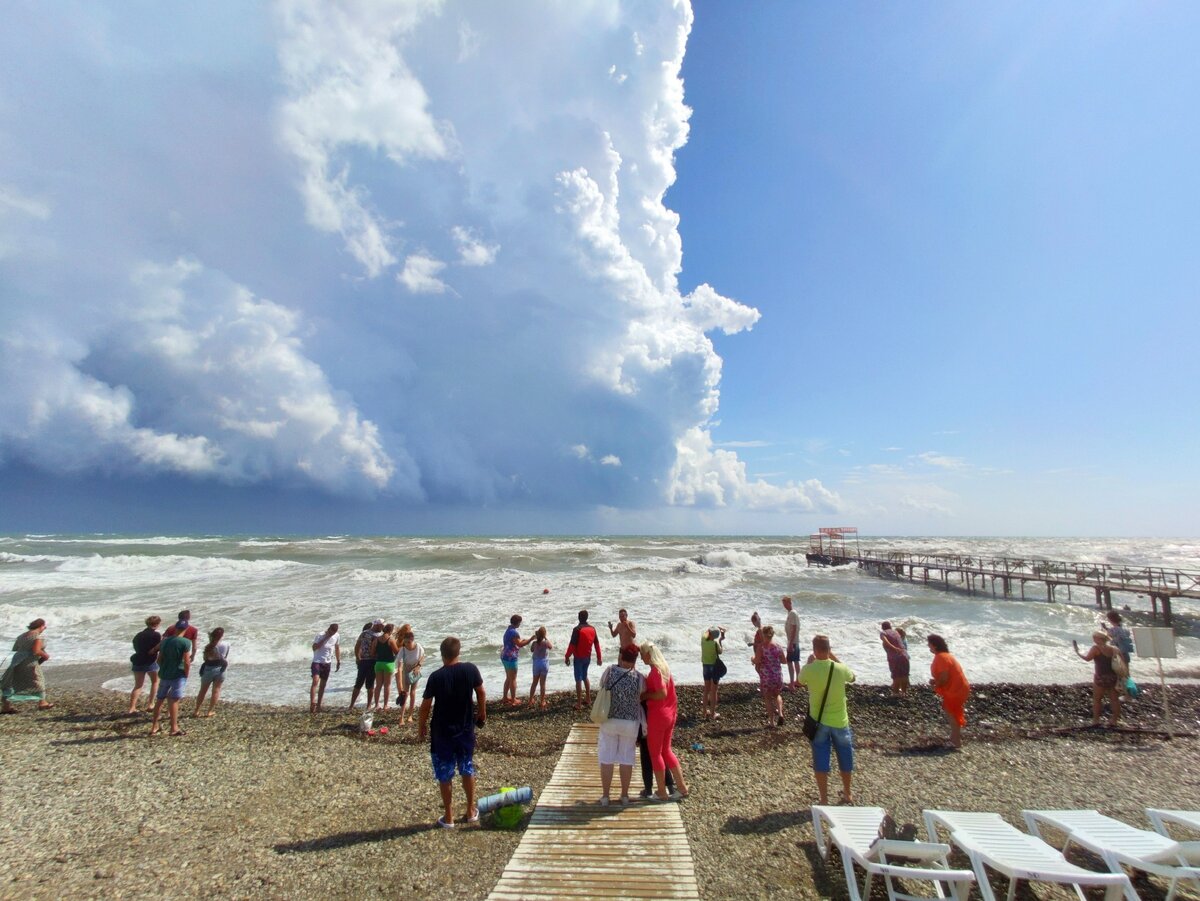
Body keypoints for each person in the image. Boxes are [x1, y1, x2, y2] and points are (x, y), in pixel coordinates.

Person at [418, 636, 486, 828]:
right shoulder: (470, 669)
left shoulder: (436, 676)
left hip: (442, 731)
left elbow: (425, 705)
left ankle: (449, 817)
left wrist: (421, 725)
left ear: (442, 655)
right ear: (458, 652)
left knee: (445, 773)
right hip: (464, 727)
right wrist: (482, 712)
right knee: (467, 767)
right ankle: (471, 810)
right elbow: (481, 692)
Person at [799, 635, 857, 805]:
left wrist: (810, 663)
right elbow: (853, 677)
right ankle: (847, 793)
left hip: (819, 722)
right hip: (840, 721)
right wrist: (834, 658)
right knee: (845, 758)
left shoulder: (809, 669)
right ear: (829, 649)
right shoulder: (840, 669)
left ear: (814, 650)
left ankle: (824, 799)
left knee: (821, 760)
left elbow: (799, 682)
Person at [596, 643, 645, 806]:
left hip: (609, 720)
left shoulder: (610, 671)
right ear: (634, 660)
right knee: (626, 759)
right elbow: (642, 695)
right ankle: (624, 795)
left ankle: (605, 796)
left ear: (621, 656)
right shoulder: (638, 677)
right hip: (630, 723)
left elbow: (602, 686)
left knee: (607, 758)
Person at [639, 641, 688, 801]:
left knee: (655, 754)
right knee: (666, 751)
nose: (640, 657)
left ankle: (661, 791)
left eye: (641, 653)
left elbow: (661, 693)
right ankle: (681, 787)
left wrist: (645, 696)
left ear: (648, 654)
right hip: (670, 713)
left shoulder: (656, 672)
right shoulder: (665, 669)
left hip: (658, 716)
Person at [927, 634, 970, 748]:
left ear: (934, 645)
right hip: (960, 687)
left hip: (955, 689)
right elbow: (946, 675)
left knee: (951, 713)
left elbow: (944, 677)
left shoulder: (941, 657)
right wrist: (936, 682)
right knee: (953, 712)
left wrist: (936, 684)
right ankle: (954, 739)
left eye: (929, 644)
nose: (928, 646)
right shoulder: (946, 656)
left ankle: (955, 741)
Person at [1, 619, 53, 713]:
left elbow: (16, 649)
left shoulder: (21, 636)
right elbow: (36, 651)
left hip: (17, 660)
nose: (45, 628)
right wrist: (45, 655)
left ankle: (6, 706)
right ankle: (43, 703)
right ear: (40, 626)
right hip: (29, 661)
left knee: (12, 681)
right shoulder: (38, 636)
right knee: (37, 680)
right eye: (44, 626)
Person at [149, 624, 191, 736]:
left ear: (175, 628)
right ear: (186, 629)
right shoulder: (186, 642)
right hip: (178, 674)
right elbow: (187, 661)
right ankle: (173, 728)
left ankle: (154, 727)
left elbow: (159, 660)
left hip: (164, 674)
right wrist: (187, 674)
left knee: (159, 700)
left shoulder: (165, 641)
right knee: (174, 700)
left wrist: (164, 668)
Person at [1074, 632, 1122, 727]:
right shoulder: (1114, 649)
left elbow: (1088, 658)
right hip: (1113, 676)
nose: (1093, 640)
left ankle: (1096, 720)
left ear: (1099, 639)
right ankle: (1114, 720)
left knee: (1097, 699)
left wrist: (1077, 652)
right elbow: (1122, 661)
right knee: (1114, 700)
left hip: (1100, 677)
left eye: (1094, 638)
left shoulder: (1096, 648)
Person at [564, 610, 602, 711]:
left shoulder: (577, 629)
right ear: (587, 617)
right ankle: (588, 698)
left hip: (578, 658)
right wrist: (599, 658)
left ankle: (579, 703)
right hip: (587, 657)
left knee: (578, 679)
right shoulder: (592, 629)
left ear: (578, 617)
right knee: (585, 676)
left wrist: (567, 656)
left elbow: (572, 645)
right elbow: (597, 644)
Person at [127, 615, 162, 714]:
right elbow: (157, 648)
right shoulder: (156, 635)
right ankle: (151, 703)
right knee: (155, 681)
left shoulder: (139, 635)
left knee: (138, 685)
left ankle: (132, 707)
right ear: (157, 624)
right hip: (149, 661)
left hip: (138, 660)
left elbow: (135, 646)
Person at [754, 625, 786, 727]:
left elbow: (757, 660)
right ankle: (780, 713)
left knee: (767, 698)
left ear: (763, 635)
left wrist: (752, 659)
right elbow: (784, 661)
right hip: (777, 675)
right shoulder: (778, 646)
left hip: (766, 676)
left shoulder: (761, 647)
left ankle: (772, 722)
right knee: (777, 695)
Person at [193, 628, 229, 718]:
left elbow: (205, 659)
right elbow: (225, 656)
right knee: (216, 690)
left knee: (203, 691)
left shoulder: (208, 646)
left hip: (209, 669)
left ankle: (196, 710)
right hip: (221, 669)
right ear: (222, 636)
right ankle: (210, 711)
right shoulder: (226, 644)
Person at [500, 614, 531, 706]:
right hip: (511, 658)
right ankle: (513, 699)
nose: (520, 624)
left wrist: (522, 641)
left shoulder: (508, 630)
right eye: (520, 623)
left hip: (504, 655)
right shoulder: (514, 632)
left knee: (508, 678)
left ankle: (505, 697)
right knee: (513, 679)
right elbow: (520, 644)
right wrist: (530, 640)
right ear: (517, 623)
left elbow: (516, 642)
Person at [310, 623, 340, 714]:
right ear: (329, 629)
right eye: (331, 632)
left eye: (334, 632)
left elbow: (337, 648)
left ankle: (319, 706)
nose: (332, 634)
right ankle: (312, 703)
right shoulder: (320, 635)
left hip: (327, 663)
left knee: (323, 685)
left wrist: (338, 660)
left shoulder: (337, 636)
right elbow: (314, 648)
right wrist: (326, 637)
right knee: (315, 680)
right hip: (317, 661)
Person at [348, 621, 378, 709]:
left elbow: (357, 646)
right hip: (372, 661)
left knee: (359, 683)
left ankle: (351, 705)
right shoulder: (377, 636)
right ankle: (368, 705)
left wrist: (357, 657)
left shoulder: (364, 634)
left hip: (363, 661)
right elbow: (358, 646)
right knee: (370, 684)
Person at [398, 625, 425, 725]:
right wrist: (399, 682)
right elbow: (400, 665)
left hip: (415, 670)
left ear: (413, 640)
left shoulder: (418, 647)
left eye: (409, 642)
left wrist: (418, 666)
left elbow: (422, 657)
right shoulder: (403, 650)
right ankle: (401, 717)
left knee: (413, 693)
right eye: (405, 642)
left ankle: (410, 716)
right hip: (406, 669)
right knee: (405, 693)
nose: (407, 644)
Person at [700, 627, 725, 720]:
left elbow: (706, 631)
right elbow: (720, 652)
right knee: (714, 691)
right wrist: (721, 640)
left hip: (705, 666)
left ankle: (704, 712)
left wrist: (717, 628)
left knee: (706, 690)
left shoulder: (703, 639)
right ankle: (712, 713)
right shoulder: (715, 643)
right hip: (714, 667)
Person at [372, 623, 398, 710]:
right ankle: (385, 705)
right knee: (387, 685)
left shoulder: (376, 639)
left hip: (378, 664)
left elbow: (372, 653)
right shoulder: (391, 640)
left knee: (378, 685)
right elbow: (396, 652)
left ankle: (376, 705)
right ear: (391, 631)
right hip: (388, 664)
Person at [880, 621, 910, 696]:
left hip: (894, 657)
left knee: (896, 676)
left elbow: (886, 642)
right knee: (904, 675)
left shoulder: (883, 633)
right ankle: (904, 692)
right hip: (904, 654)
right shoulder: (896, 632)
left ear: (882, 627)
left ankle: (896, 693)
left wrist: (894, 648)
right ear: (890, 626)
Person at [527, 626, 552, 709]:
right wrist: (545, 637)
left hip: (536, 664)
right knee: (542, 684)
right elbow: (551, 647)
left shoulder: (534, 643)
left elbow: (531, 650)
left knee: (534, 682)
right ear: (544, 634)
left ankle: (530, 700)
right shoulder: (546, 642)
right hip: (544, 664)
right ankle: (542, 701)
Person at [783, 596, 801, 689]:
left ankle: (792, 683)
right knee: (796, 661)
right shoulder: (791, 613)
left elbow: (794, 629)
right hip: (794, 641)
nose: (784, 605)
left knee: (790, 662)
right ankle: (798, 681)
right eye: (783, 604)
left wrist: (790, 644)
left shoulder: (792, 613)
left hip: (793, 642)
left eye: (786, 603)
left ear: (790, 603)